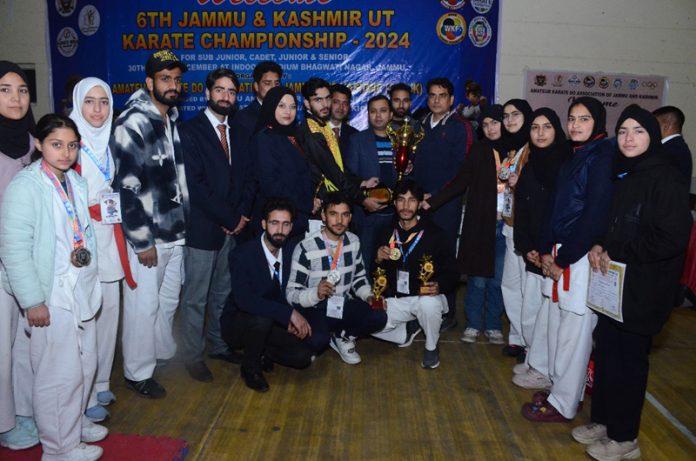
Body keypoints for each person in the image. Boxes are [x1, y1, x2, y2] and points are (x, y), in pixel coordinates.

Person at [572, 105, 691, 461]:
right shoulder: (625, 172)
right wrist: (600, 244)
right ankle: (605, 421)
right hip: (615, 286)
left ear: (652, 137)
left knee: (629, 363)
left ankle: (625, 439)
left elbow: (671, 238)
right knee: (607, 353)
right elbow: (616, 227)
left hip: (644, 288)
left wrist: (618, 249)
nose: (628, 138)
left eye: (638, 131)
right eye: (623, 131)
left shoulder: (664, 177)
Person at [1, 113, 107, 461]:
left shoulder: (74, 182)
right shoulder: (25, 186)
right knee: (58, 373)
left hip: (80, 287)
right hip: (50, 291)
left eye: (72, 146)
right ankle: (58, 448)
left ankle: (73, 425)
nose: (65, 153)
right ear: (38, 145)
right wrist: (32, 300)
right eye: (56, 145)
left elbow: (82, 234)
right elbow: (13, 249)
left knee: (84, 365)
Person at [521, 97, 614, 423]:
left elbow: (593, 216)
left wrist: (565, 259)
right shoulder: (577, 155)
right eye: (572, 118)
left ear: (598, 122)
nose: (576, 125)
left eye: (584, 119)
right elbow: (557, 208)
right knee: (562, 324)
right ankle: (560, 389)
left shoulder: (602, 157)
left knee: (576, 329)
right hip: (562, 250)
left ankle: (564, 403)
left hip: (579, 255)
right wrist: (547, 250)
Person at [111, 49, 190, 399]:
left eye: (176, 79)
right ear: (149, 82)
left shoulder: (170, 116)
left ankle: (159, 354)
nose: (172, 85)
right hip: (149, 237)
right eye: (164, 79)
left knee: (167, 301)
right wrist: (141, 241)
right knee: (143, 306)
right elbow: (124, 189)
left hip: (175, 231)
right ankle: (137, 372)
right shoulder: (132, 122)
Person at [179, 68, 253, 383]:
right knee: (195, 297)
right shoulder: (189, 131)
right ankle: (192, 356)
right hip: (203, 227)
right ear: (208, 93)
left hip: (232, 228)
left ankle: (218, 345)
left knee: (223, 292)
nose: (226, 96)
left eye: (232, 91)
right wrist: (229, 218)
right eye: (220, 90)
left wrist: (240, 216)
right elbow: (194, 185)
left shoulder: (238, 130)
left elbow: (246, 177)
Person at [69, 77, 132, 422]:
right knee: (85, 316)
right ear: (78, 104)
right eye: (90, 102)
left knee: (110, 311)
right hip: (79, 235)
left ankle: (103, 378)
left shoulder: (111, 142)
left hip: (109, 232)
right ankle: (85, 388)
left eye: (104, 102)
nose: (97, 109)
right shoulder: (69, 141)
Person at [426, 105, 506, 344]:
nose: (490, 128)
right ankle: (472, 323)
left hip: (508, 227)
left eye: (495, 123)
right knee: (478, 279)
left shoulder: (517, 150)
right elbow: (460, 181)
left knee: (498, 281)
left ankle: (493, 325)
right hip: (482, 223)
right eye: (486, 124)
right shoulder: (479, 150)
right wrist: (434, 201)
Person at [221, 198, 313, 392]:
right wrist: (288, 314)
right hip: (240, 324)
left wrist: (289, 316)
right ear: (263, 224)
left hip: (273, 322)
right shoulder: (242, 254)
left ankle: (263, 352)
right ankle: (250, 368)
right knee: (260, 319)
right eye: (274, 223)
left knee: (302, 357)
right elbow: (245, 300)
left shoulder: (292, 251)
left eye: (285, 224)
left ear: (291, 226)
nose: (280, 230)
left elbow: (294, 290)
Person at [286, 192, 387, 364]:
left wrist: (369, 296)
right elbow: (291, 293)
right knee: (318, 341)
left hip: (342, 305)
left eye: (345, 214)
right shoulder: (305, 247)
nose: (339, 221)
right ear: (324, 216)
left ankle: (342, 336)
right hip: (315, 308)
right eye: (333, 214)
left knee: (380, 316)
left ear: (350, 217)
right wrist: (315, 294)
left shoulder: (353, 241)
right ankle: (328, 336)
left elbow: (359, 278)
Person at [511, 108, 569, 389]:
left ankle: (547, 370)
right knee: (533, 309)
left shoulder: (566, 164)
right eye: (535, 128)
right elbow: (521, 207)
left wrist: (546, 248)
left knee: (552, 314)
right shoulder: (532, 163)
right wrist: (527, 246)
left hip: (555, 253)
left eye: (547, 127)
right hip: (534, 251)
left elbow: (561, 213)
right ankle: (536, 360)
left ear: (557, 130)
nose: (540, 133)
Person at [372, 180, 458, 368]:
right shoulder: (385, 232)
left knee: (428, 304)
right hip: (396, 300)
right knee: (365, 321)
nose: (406, 206)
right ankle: (407, 330)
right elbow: (373, 273)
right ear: (394, 204)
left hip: (424, 297)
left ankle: (431, 347)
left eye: (411, 200)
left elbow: (453, 272)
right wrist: (377, 259)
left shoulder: (436, 234)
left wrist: (440, 285)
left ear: (420, 204)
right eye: (401, 200)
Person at [414, 77, 475, 332]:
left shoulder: (461, 127)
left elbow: (463, 173)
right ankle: (421, 310)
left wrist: (435, 198)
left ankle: (447, 313)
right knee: (420, 257)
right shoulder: (420, 125)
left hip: (445, 206)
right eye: (432, 95)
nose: (436, 100)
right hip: (419, 206)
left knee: (445, 259)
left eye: (442, 95)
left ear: (451, 100)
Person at [0, 60, 38, 451]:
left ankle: (26, 410)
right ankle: (4, 422)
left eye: (22, 89)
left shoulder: (33, 142)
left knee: (27, 343)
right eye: (5, 89)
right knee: (0, 349)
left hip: (29, 261)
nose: (16, 97)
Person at [297, 77, 383, 214]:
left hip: (330, 201)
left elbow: (339, 167)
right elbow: (333, 173)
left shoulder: (321, 126)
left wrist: (361, 183)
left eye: (327, 98)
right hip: (319, 205)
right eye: (318, 100)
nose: (325, 104)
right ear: (307, 103)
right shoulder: (312, 132)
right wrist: (362, 199)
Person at [251, 86, 317, 238]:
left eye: (292, 107)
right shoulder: (265, 138)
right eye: (281, 106)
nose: (288, 111)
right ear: (271, 106)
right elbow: (271, 185)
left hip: (296, 217)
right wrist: (307, 202)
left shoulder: (292, 136)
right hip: (277, 222)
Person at [345, 95, 401, 271]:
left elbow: (410, 176)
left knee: (393, 263)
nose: (378, 116)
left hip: (396, 215)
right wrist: (363, 200)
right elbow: (349, 177)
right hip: (367, 214)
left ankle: (390, 298)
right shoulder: (357, 140)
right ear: (367, 114)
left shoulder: (402, 140)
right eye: (373, 111)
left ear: (391, 114)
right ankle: (365, 298)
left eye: (383, 111)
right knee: (365, 264)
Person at [500, 98, 533, 356]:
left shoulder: (534, 149)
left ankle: (532, 344)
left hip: (527, 229)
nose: (510, 120)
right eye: (506, 116)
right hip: (510, 225)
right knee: (510, 285)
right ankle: (517, 337)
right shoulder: (512, 150)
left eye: (515, 115)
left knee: (528, 289)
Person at [229, 60, 282, 158]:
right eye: (267, 83)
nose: (273, 88)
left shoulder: (285, 115)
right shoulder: (242, 119)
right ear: (256, 86)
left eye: (277, 83)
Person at [652, 105, 692, 181]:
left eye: (653, 124)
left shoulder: (670, 151)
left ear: (665, 127)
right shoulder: (676, 147)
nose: (650, 129)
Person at [328, 83, 358, 154]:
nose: (341, 107)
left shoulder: (355, 135)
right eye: (336, 102)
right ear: (328, 102)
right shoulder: (315, 131)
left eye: (345, 103)